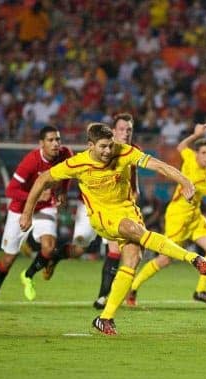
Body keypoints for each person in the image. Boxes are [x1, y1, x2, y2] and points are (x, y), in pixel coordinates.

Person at [19, 123, 206, 335]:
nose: (108, 151)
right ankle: (192, 258)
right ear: (90, 146)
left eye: (110, 146)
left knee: (133, 258)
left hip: (128, 210)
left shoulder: (123, 151)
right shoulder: (77, 163)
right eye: (102, 146)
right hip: (102, 216)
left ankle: (105, 318)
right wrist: (27, 213)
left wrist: (184, 181)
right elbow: (42, 179)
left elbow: (159, 165)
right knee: (134, 231)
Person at [126, 123, 206, 309]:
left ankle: (201, 291)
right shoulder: (198, 176)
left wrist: (195, 135)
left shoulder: (191, 158)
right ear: (197, 154)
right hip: (179, 217)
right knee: (165, 259)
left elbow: (181, 146)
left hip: (195, 216)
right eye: (204, 153)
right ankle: (133, 288)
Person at [42, 113, 141, 310]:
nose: (126, 133)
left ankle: (102, 297)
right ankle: (56, 257)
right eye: (121, 129)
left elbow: (133, 180)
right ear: (113, 131)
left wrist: (132, 197)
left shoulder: (132, 151)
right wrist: (61, 190)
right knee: (79, 249)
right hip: (89, 207)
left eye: (129, 130)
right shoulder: (98, 150)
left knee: (115, 250)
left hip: (115, 209)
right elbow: (72, 171)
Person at [0, 125, 73, 309]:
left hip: (45, 208)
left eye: (58, 139)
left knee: (49, 248)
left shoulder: (66, 154)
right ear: (41, 144)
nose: (56, 144)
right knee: (8, 258)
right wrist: (37, 196)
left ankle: (28, 275)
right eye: (51, 140)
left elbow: (68, 174)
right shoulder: (31, 161)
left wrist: (63, 191)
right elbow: (10, 190)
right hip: (20, 209)